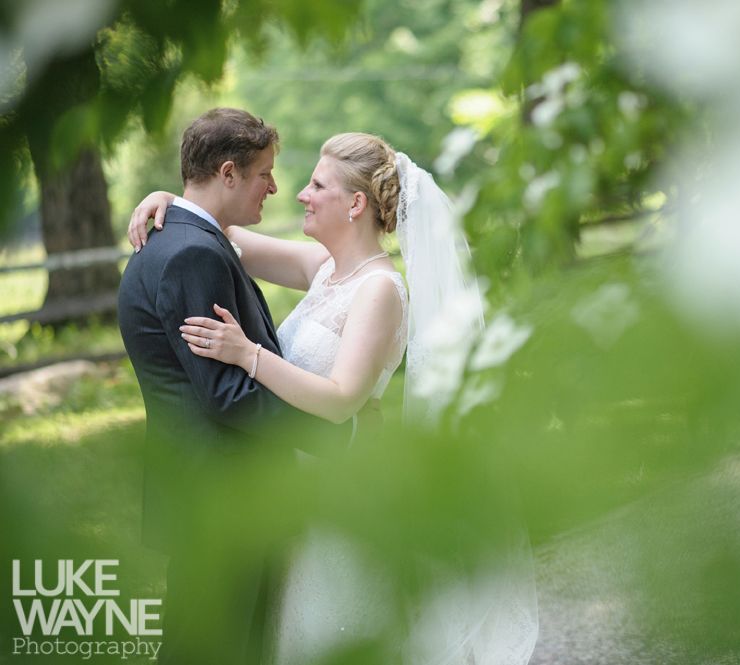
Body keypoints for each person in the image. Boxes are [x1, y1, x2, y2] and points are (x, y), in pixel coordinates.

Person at [128, 131, 538, 665]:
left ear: (356, 203)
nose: (300, 193)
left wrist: (250, 355)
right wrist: (163, 199)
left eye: (317, 184)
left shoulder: (381, 290)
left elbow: (343, 398)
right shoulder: (321, 270)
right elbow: (213, 227)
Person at [118, 108, 356, 665]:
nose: (276, 187)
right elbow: (227, 395)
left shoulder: (180, 236)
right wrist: (329, 430)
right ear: (227, 173)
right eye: (263, 174)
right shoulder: (193, 252)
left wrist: (169, 198)